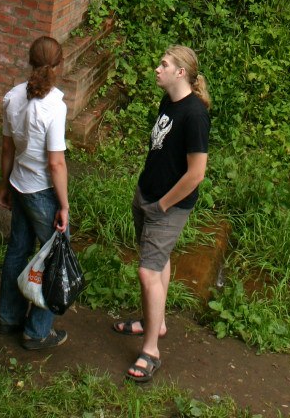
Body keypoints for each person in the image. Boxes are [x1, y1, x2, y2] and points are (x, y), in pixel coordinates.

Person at [113, 45, 211, 382]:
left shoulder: (195, 114)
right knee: (158, 261)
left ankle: (151, 349)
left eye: (164, 64)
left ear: (180, 72)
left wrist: (164, 205)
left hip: (166, 206)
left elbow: (196, 173)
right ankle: (156, 321)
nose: (157, 68)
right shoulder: (168, 100)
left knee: (146, 273)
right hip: (147, 195)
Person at [0, 35, 70, 350]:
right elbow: (56, 164)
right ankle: (38, 331)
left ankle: (8, 318)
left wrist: (5, 186)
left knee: (17, 250)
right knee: (54, 256)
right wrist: (64, 206)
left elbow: (6, 148)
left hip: (18, 184)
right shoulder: (54, 105)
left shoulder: (12, 97)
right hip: (41, 192)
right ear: (59, 65)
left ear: (29, 61)